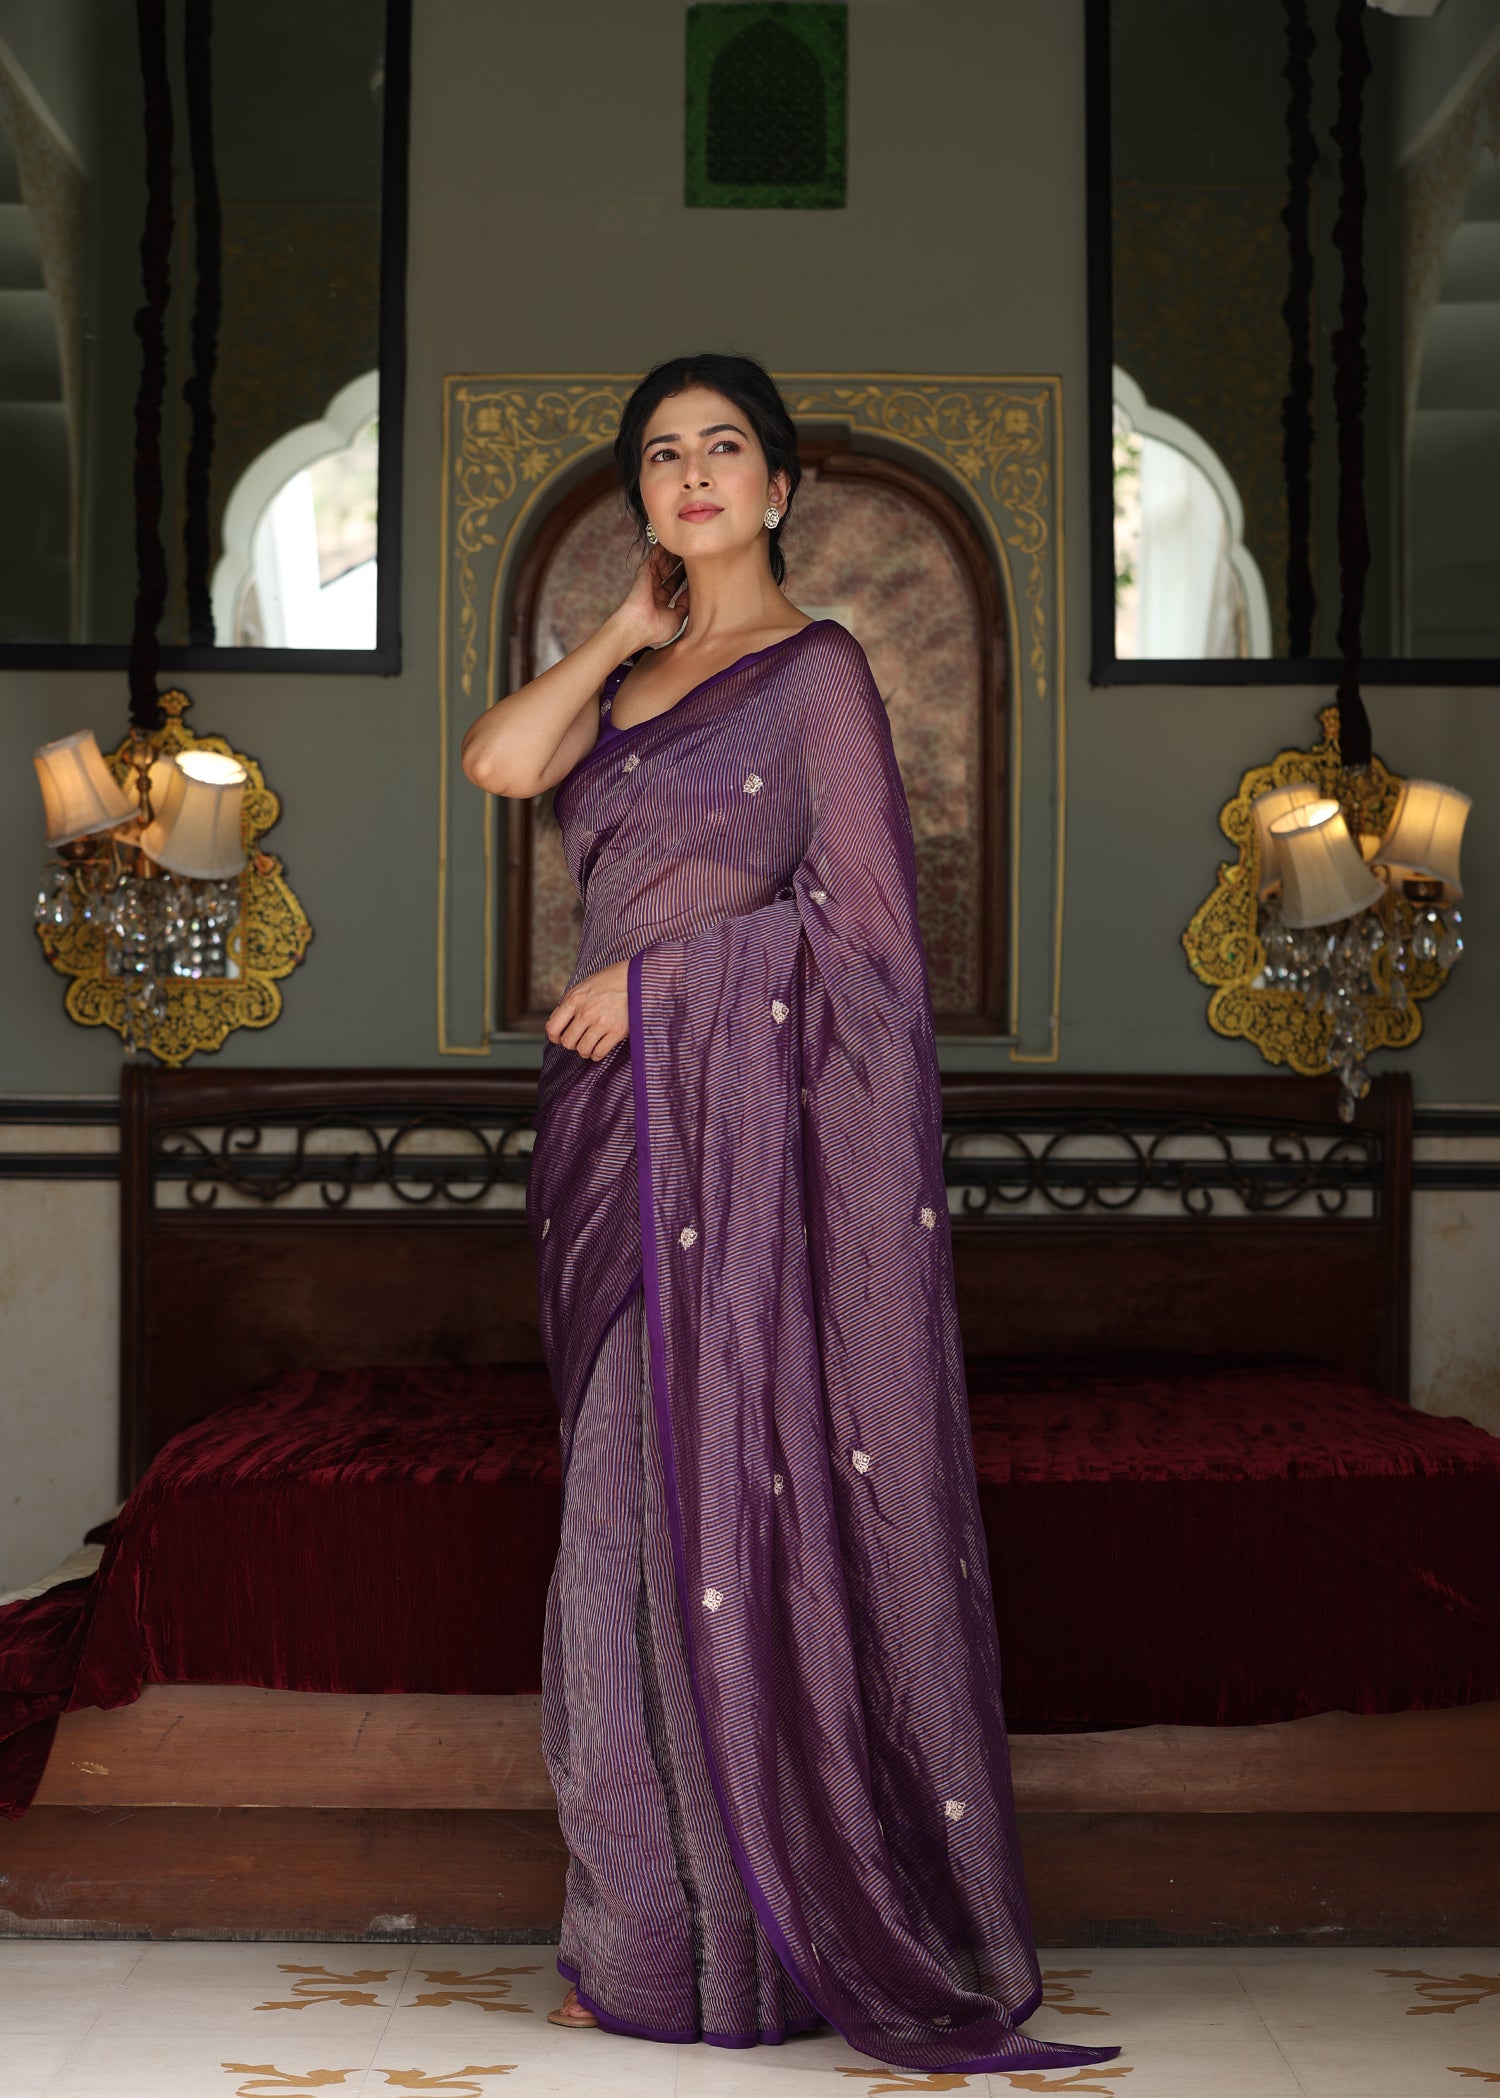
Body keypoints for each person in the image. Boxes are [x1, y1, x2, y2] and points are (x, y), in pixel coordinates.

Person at [461, 352, 1120, 2076]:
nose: (692, 474)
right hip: (612, 1142)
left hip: (730, 1143)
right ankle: (655, 1933)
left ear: (777, 487)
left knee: (675, 1524)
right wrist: (619, 630)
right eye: (662, 454)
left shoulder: (820, 674)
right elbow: (500, 761)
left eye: (724, 447)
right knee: (617, 1542)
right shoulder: (629, 677)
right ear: (644, 496)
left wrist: (665, 982)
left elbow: (872, 940)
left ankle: (736, 1951)